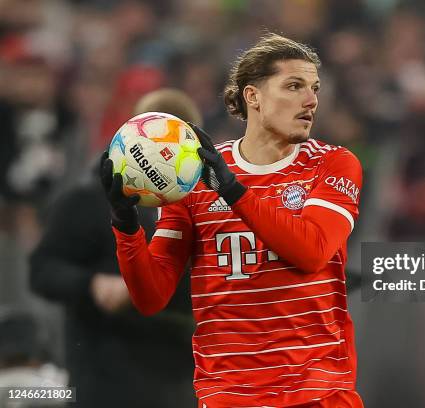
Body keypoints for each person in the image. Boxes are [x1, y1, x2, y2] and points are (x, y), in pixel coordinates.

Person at [101, 33, 364, 407]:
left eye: (314, 88)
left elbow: (312, 251)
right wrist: (125, 225)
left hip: (318, 393)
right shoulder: (192, 178)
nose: (311, 100)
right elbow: (151, 296)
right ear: (252, 96)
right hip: (230, 395)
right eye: (294, 86)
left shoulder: (332, 164)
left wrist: (234, 191)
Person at [29, 88, 201, 408]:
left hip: (178, 382)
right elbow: (43, 269)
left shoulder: (204, 209)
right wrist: (91, 284)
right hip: (104, 377)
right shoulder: (89, 199)